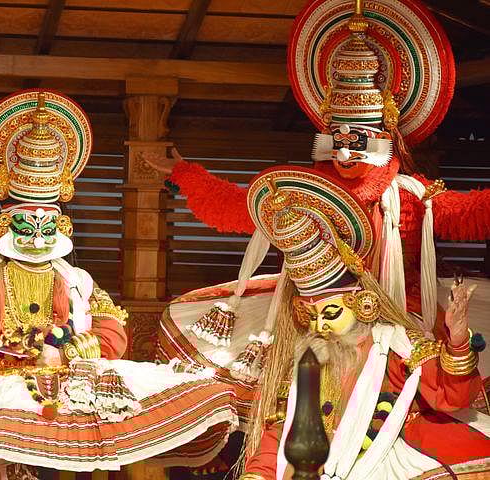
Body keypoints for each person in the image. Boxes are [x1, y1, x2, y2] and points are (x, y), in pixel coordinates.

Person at [0, 90, 239, 480]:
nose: (37, 236)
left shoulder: (77, 283)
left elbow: (113, 330)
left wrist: (63, 352)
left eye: (46, 224)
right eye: (26, 224)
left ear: (61, 226)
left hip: (66, 381)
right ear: (3, 224)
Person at [154, 0, 490, 383]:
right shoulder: (303, 191)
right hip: (311, 321)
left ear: (383, 137)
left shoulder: (410, 195)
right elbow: (237, 207)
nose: (345, 152)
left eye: (358, 140)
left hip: (393, 325)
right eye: (338, 139)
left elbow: (471, 212)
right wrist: (184, 173)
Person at [234, 166, 489, 480]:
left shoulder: (395, 346)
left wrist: (458, 341)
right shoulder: (305, 363)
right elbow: (282, 429)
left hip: (384, 460)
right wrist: (257, 474)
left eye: (330, 314)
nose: (319, 327)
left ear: (361, 305)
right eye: (310, 317)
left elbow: (452, 397)